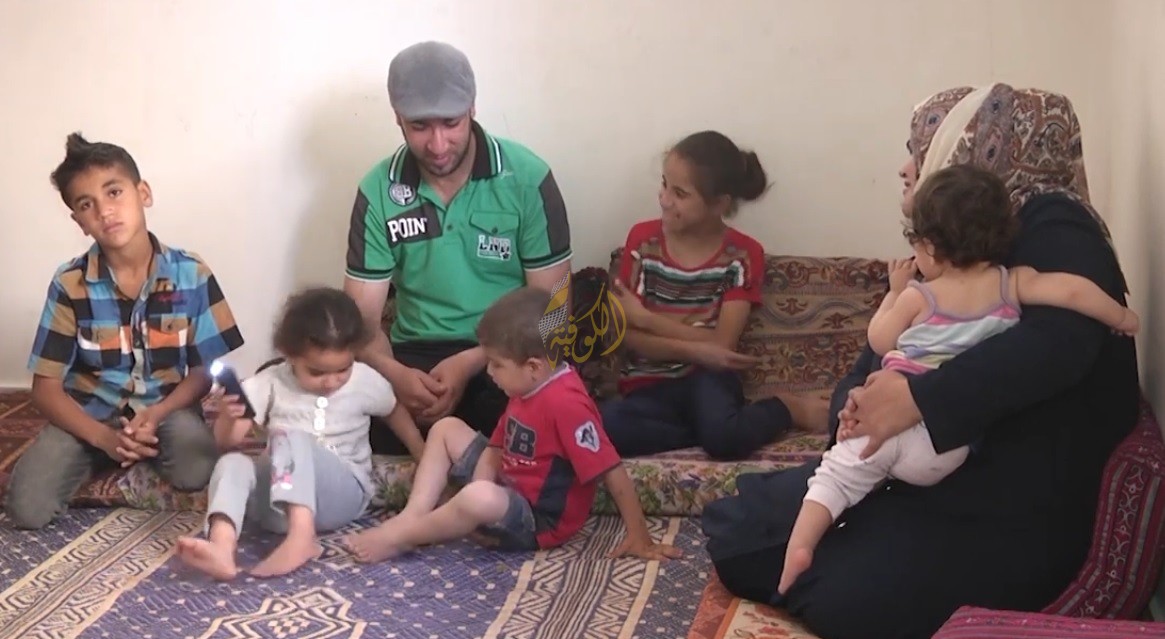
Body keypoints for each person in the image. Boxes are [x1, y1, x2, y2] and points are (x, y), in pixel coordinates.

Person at [700, 83, 1140, 639]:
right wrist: (858, 406)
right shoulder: (964, 245)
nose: (908, 168)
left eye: (923, 150)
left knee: (842, 595)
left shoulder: (1055, 222)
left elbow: (1061, 343)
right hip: (935, 469)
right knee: (742, 524)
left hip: (1001, 500)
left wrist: (916, 400)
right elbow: (881, 351)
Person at [777, 164, 1140, 595]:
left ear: (929, 247)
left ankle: (799, 549)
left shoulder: (920, 296)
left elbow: (879, 339)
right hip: (946, 449)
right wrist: (1122, 317)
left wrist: (894, 294)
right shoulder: (1011, 283)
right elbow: (1074, 291)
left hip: (895, 425)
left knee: (836, 477)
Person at [4, 133, 244, 530]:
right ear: (79, 222)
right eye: (87, 205)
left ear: (143, 193)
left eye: (114, 192)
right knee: (27, 510)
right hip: (91, 414)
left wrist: (158, 413)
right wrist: (104, 439)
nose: (105, 211)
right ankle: (110, 452)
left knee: (195, 471)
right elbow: (45, 389)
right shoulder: (69, 284)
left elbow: (204, 370)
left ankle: (139, 447)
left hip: (166, 407)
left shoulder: (192, 273)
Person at [343, 41, 572, 455]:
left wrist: (473, 361)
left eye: (451, 123)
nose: (438, 144)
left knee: (540, 420)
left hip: (509, 349)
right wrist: (395, 375)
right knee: (339, 419)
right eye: (419, 126)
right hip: (416, 359)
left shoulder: (528, 178)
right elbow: (361, 324)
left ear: (472, 108)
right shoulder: (378, 190)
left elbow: (553, 311)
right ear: (397, 117)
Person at [344, 286, 681, 564]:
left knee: (478, 498)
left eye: (496, 364)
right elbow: (497, 445)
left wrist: (639, 536)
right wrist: (481, 484)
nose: (489, 372)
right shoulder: (526, 386)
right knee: (446, 429)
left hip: (536, 520)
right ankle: (414, 514)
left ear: (533, 367)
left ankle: (402, 536)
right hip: (507, 485)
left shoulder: (567, 405)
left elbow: (612, 470)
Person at [600, 130, 829, 460]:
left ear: (719, 203)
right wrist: (699, 348)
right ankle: (705, 432)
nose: (664, 199)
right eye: (664, 184)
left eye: (680, 193)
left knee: (723, 438)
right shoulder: (642, 240)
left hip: (708, 382)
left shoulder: (743, 255)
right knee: (606, 427)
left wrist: (647, 319)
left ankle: (785, 408)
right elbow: (627, 335)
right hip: (648, 386)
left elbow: (722, 346)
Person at [176, 287, 424, 580]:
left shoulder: (364, 380)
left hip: (340, 497)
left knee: (289, 436)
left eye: (342, 370)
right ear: (290, 355)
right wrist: (229, 417)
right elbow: (226, 442)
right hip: (274, 506)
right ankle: (221, 546)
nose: (331, 381)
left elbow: (394, 411)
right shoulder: (271, 381)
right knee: (232, 462)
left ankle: (302, 536)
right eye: (317, 372)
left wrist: (422, 452)